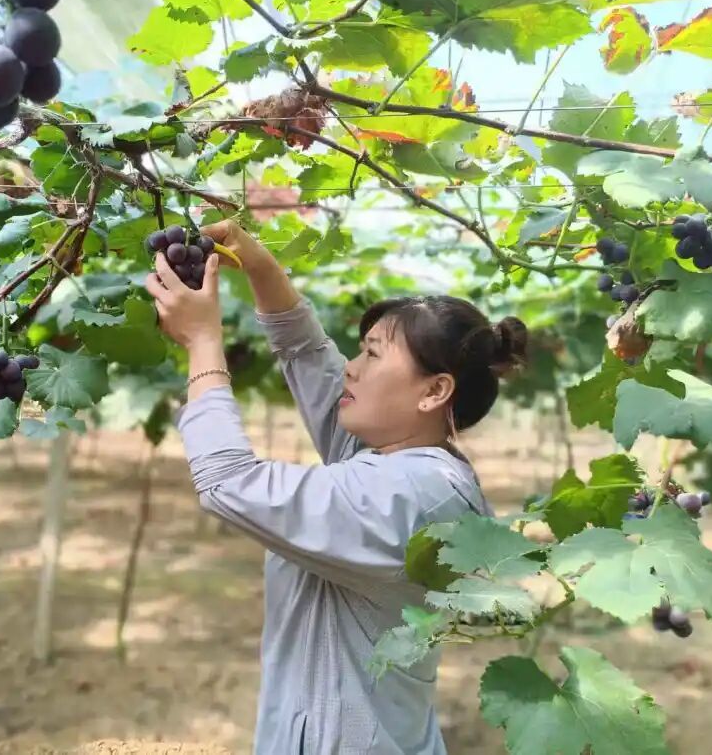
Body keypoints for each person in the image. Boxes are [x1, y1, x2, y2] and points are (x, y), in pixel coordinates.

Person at [145, 220, 528, 755]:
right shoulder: (389, 454)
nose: (350, 368)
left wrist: (203, 343)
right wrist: (258, 264)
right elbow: (303, 348)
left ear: (434, 391)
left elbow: (227, 481)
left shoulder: (412, 496)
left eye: (372, 354)